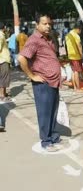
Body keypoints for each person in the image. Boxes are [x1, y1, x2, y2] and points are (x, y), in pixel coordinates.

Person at [18, 13, 62, 152]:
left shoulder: (48, 39)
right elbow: (21, 58)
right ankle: (46, 141)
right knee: (44, 112)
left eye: (49, 23)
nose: (48, 26)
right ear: (37, 25)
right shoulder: (34, 40)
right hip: (43, 83)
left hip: (54, 82)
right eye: (44, 23)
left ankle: (53, 136)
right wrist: (32, 76)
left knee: (53, 111)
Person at [65, 22, 83, 91]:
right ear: (78, 29)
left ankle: (75, 87)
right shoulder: (76, 36)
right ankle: (78, 88)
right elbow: (79, 47)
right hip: (76, 56)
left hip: (70, 56)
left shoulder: (68, 34)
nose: (80, 32)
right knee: (76, 72)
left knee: (73, 71)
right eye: (80, 30)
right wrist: (82, 56)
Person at [0, 22, 12, 102]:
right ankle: (2, 95)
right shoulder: (1, 35)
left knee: (3, 77)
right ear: (3, 27)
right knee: (4, 77)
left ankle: (3, 93)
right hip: (3, 59)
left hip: (3, 59)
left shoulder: (2, 35)